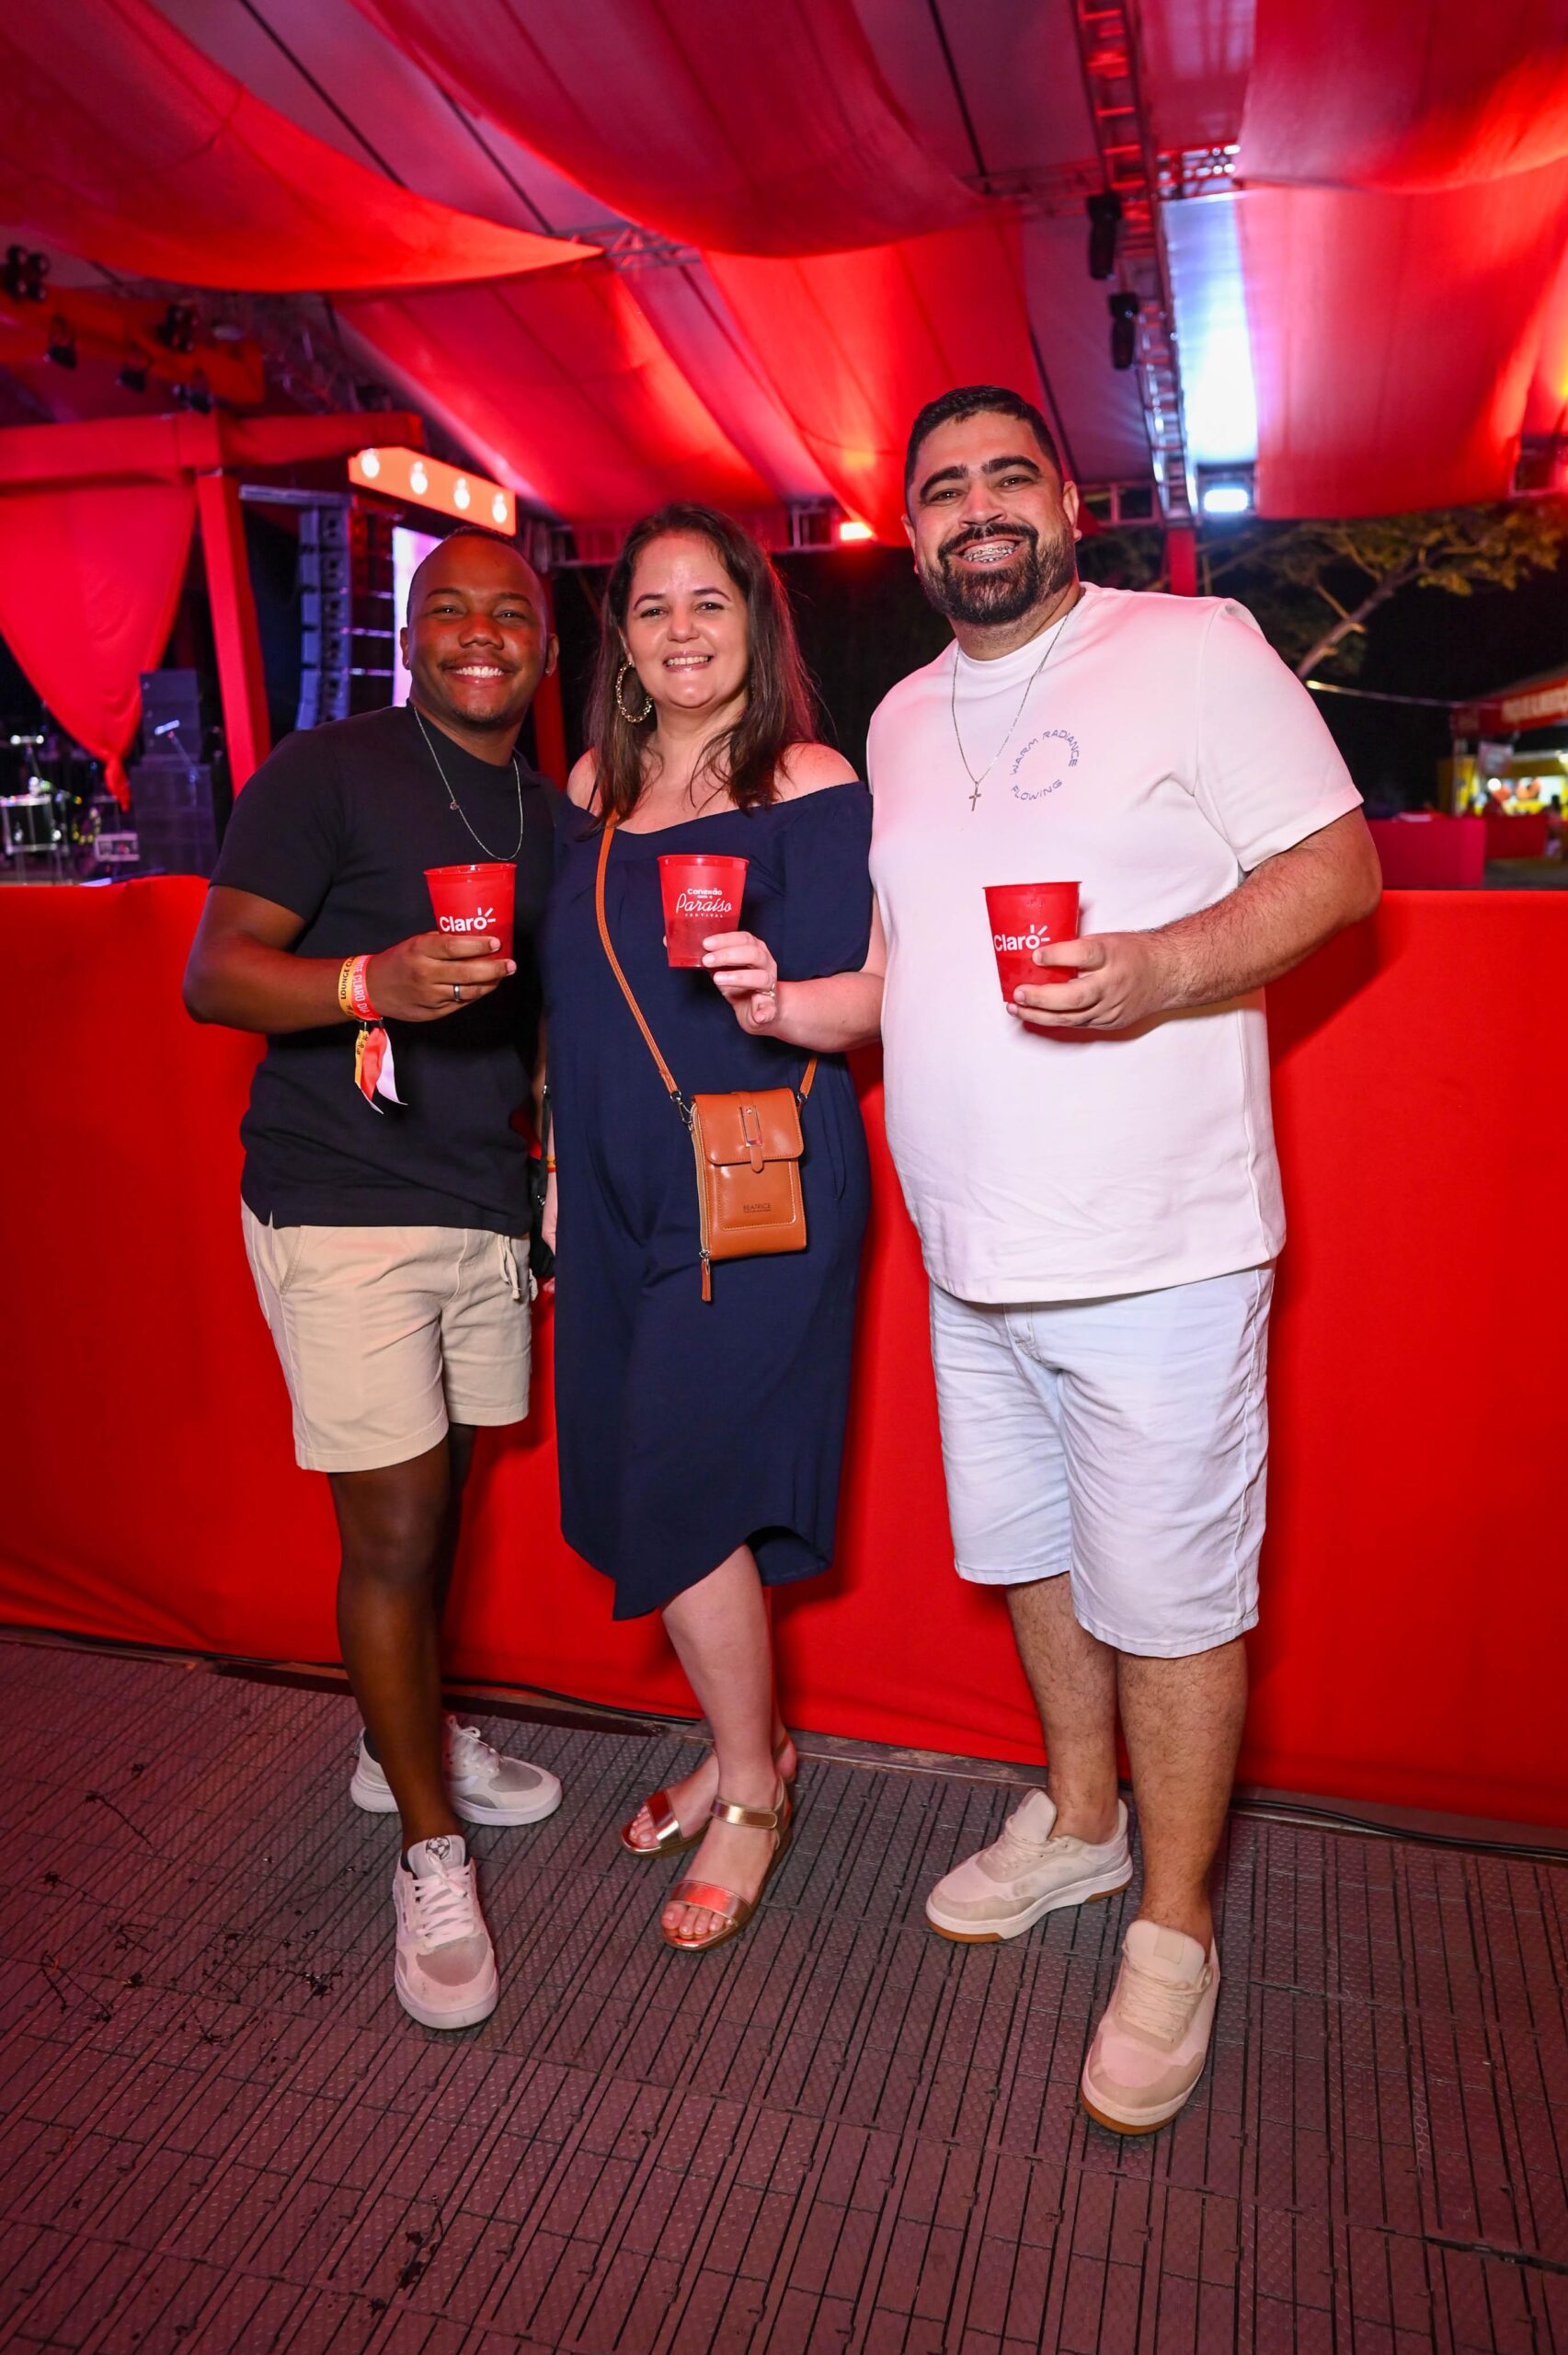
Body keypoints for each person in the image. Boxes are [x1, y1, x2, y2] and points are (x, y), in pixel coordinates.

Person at [867, 385, 1380, 2133]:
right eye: (943, 489)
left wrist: (1160, 969)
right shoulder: (896, 717)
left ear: (1066, 504)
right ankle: (1082, 1826)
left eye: (1007, 476)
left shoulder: (1191, 646)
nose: (977, 509)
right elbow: (913, 966)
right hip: (966, 1251)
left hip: (1159, 1250)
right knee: (1028, 1555)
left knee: (1168, 1603)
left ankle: (1174, 1927)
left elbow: (1337, 869)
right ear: (910, 532)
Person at [183, 527, 566, 2032]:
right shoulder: (326, 771)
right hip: (341, 1199)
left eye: (508, 612)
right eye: (447, 609)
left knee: (442, 1501)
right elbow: (216, 971)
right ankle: (426, 1845)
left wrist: (553, 1166)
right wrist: (369, 984)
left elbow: (543, 1020)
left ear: (543, 643)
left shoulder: (545, 811)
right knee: (395, 1526)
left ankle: (393, 1737)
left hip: (482, 1202)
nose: (479, 633)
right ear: (409, 638)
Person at [539, 502, 884, 1952]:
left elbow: (877, 993)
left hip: (757, 1177)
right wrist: (554, 1167)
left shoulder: (807, 778)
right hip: (611, 1179)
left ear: (754, 621)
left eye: (709, 603)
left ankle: (750, 1789)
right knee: (638, 1477)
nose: (681, 630)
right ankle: (748, 1742)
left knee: (677, 1476)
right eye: (652, 607)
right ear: (621, 640)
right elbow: (572, 1004)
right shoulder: (589, 788)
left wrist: (779, 999)